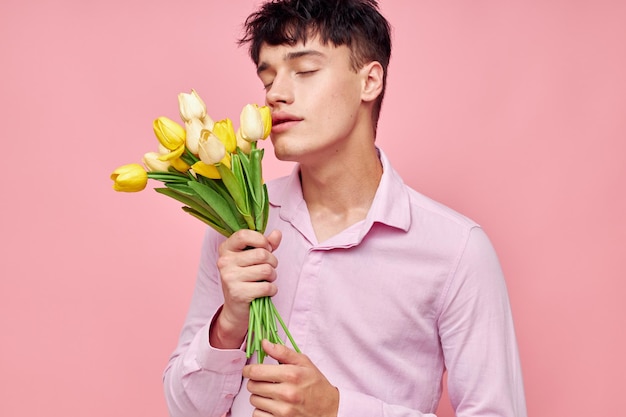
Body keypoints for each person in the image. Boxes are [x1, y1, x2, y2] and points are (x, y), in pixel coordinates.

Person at [163, 0, 527, 416]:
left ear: (369, 81)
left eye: (304, 71)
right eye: (268, 79)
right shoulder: (239, 226)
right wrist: (228, 323)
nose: (276, 95)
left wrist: (336, 409)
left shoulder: (456, 250)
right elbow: (186, 410)